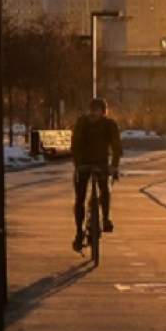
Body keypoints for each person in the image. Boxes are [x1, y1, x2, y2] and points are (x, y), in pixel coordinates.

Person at [70, 97, 122, 252]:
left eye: (98, 110)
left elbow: (116, 145)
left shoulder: (110, 125)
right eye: (92, 110)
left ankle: (105, 219)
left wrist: (114, 165)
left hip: (102, 164)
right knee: (80, 198)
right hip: (84, 164)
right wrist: (78, 165)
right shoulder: (82, 123)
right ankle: (79, 232)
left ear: (104, 112)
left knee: (105, 190)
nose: (94, 113)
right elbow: (76, 145)